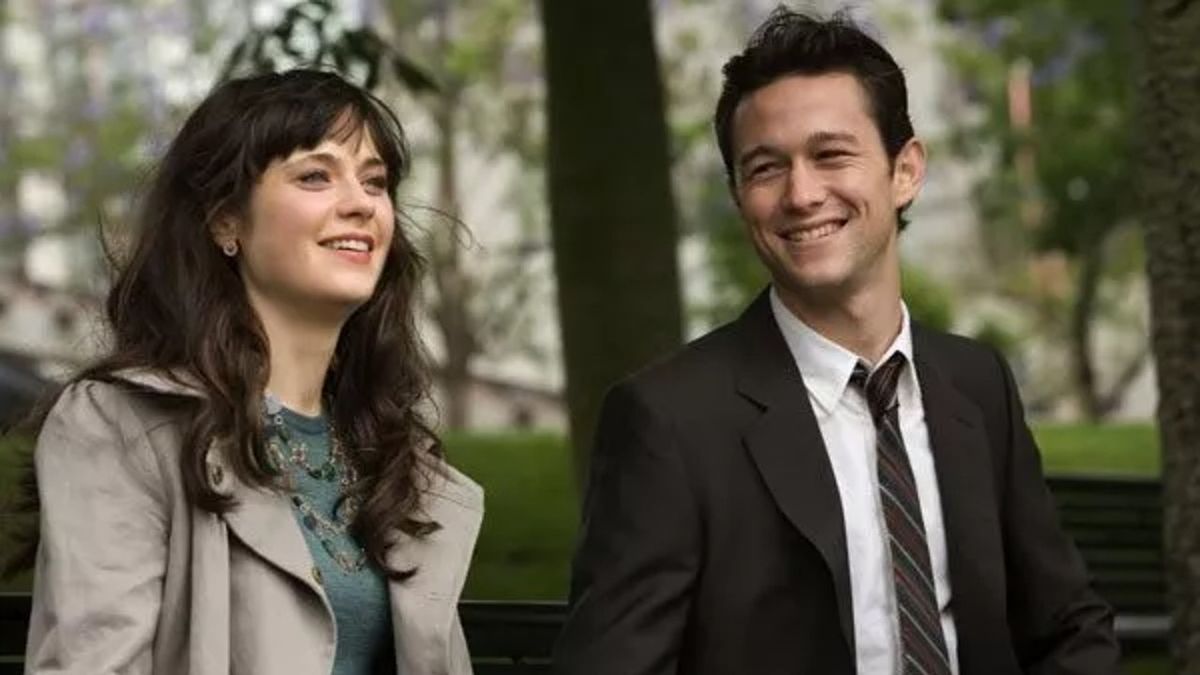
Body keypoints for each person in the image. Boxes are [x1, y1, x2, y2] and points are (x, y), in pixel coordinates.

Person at [554, 9, 1119, 675]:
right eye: (765, 167)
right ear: (739, 197)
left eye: (831, 155)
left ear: (904, 170)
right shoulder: (668, 422)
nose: (801, 193)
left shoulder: (977, 384)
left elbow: (1068, 626)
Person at [21, 69, 482, 675]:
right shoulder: (121, 424)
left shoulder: (395, 458)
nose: (361, 204)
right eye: (315, 176)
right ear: (224, 222)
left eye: (376, 182)